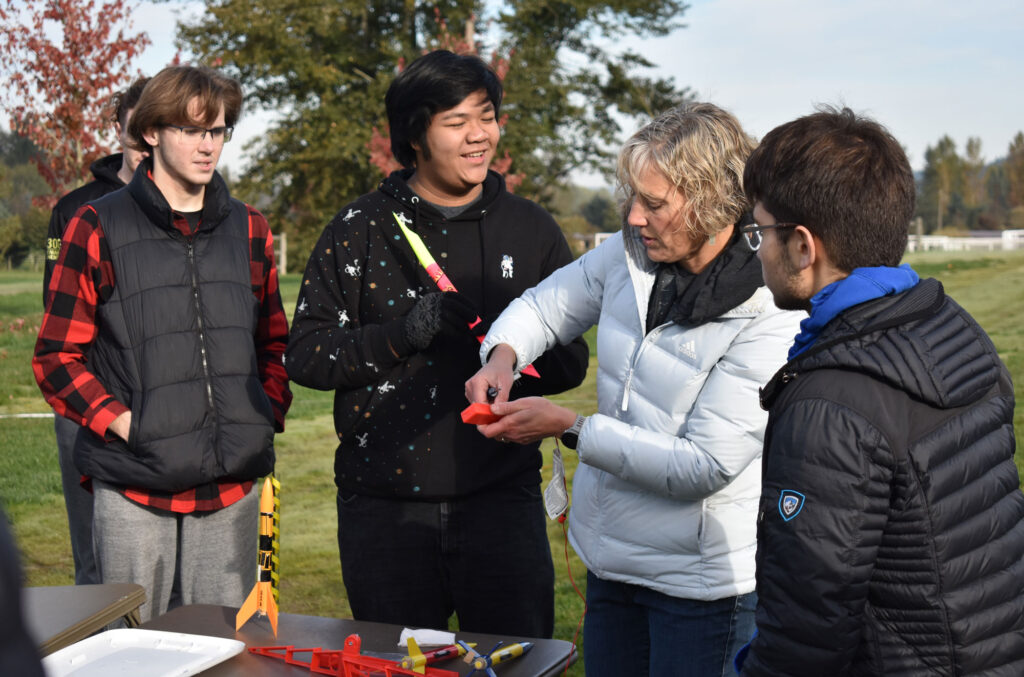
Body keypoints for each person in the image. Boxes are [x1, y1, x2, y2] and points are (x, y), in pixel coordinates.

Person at [465, 102, 804, 676]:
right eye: (633, 198)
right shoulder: (627, 255)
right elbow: (544, 309)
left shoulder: (769, 309)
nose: (634, 217)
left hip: (703, 586)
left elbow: (705, 463)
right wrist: (503, 356)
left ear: (713, 201)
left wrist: (568, 427)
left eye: (654, 203)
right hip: (611, 562)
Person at [285, 49, 589, 638]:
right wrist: (404, 333)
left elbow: (573, 360)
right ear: (415, 135)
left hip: (502, 500)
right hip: (384, 505)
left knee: (515, 660)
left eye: (487, 116)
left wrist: (507, 348)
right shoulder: (360, 227)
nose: (479, 136)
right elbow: (308, 353)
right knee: (394, 664)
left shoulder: (530, 230)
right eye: (457, 122)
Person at [735, 106, 1024, 675]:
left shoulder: (830, 403)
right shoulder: (948, 323)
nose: (758, 249)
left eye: (759, 231)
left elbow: (806, 630)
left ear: (802, 246)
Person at [33, 65, 292, 623]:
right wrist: (129, 426)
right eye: (192, 130)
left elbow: (274, 342)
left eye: (217, 131)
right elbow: (56, 357)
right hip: (134, 485)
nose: (208, 146)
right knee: (132, 651)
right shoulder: (94, 224)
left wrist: (261, 414)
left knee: (223, 652)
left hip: (231, 488)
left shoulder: (250, 228)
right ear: (151, 133)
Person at [42, 76, 149, 587]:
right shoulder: (72, 210)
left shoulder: (194, 203)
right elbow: (57, 312)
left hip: (160, 397)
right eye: (135, 133)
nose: (145, 146)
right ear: (119, 129)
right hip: (87, 395)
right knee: (93, 552)